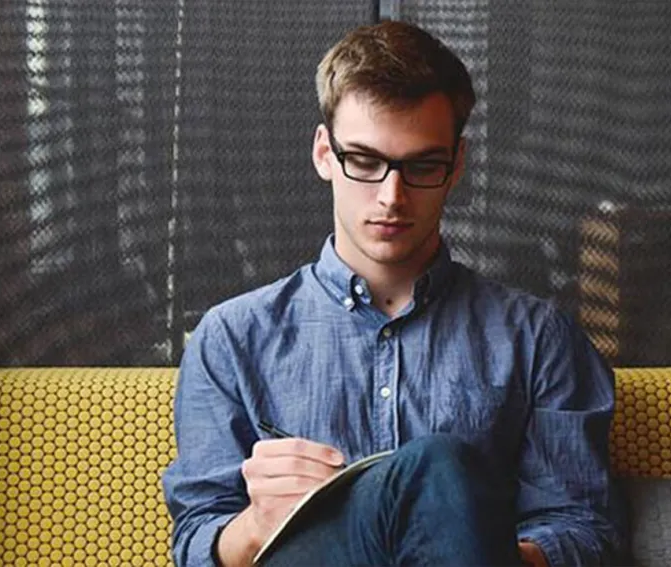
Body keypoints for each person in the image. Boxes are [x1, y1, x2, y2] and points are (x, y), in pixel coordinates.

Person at [162, 20, 627, 567]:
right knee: (435, 469)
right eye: (364, 161)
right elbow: (195, 542)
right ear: (324, 155)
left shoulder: (538, 337)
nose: (391, 196)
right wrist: (257, 523)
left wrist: (463, 541)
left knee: (440, 469)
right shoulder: (232, 337)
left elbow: (584, 531)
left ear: (455, 166)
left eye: (422, 166)